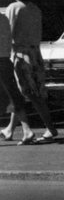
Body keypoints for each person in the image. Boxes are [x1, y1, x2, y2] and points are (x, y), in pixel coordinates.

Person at [3, 0, 58, 145]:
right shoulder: (35, 9)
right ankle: (10, 129)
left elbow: (8, 32)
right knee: (22, 91)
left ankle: (50, 127)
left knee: (30, 93)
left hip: (20, 54)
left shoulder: (14, 7)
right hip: (35, 53)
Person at [0, 8, 31, 144]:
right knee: (13, 95)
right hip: (5, 60)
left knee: (12, 96)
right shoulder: (4, 18)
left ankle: (27, 130)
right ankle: (25, 130)